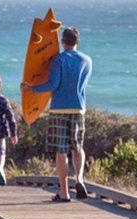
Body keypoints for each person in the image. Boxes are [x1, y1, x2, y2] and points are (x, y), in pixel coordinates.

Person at [21, 26, 92, 202]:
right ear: (77, 41)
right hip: (78, 108)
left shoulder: (58, 60)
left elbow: (53, 85)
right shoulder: (87, 60)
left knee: (61, 152)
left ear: (62, 41)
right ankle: (80, 178)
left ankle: (64, 192)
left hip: (59, 108)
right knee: (78, 147)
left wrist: (32, 89)